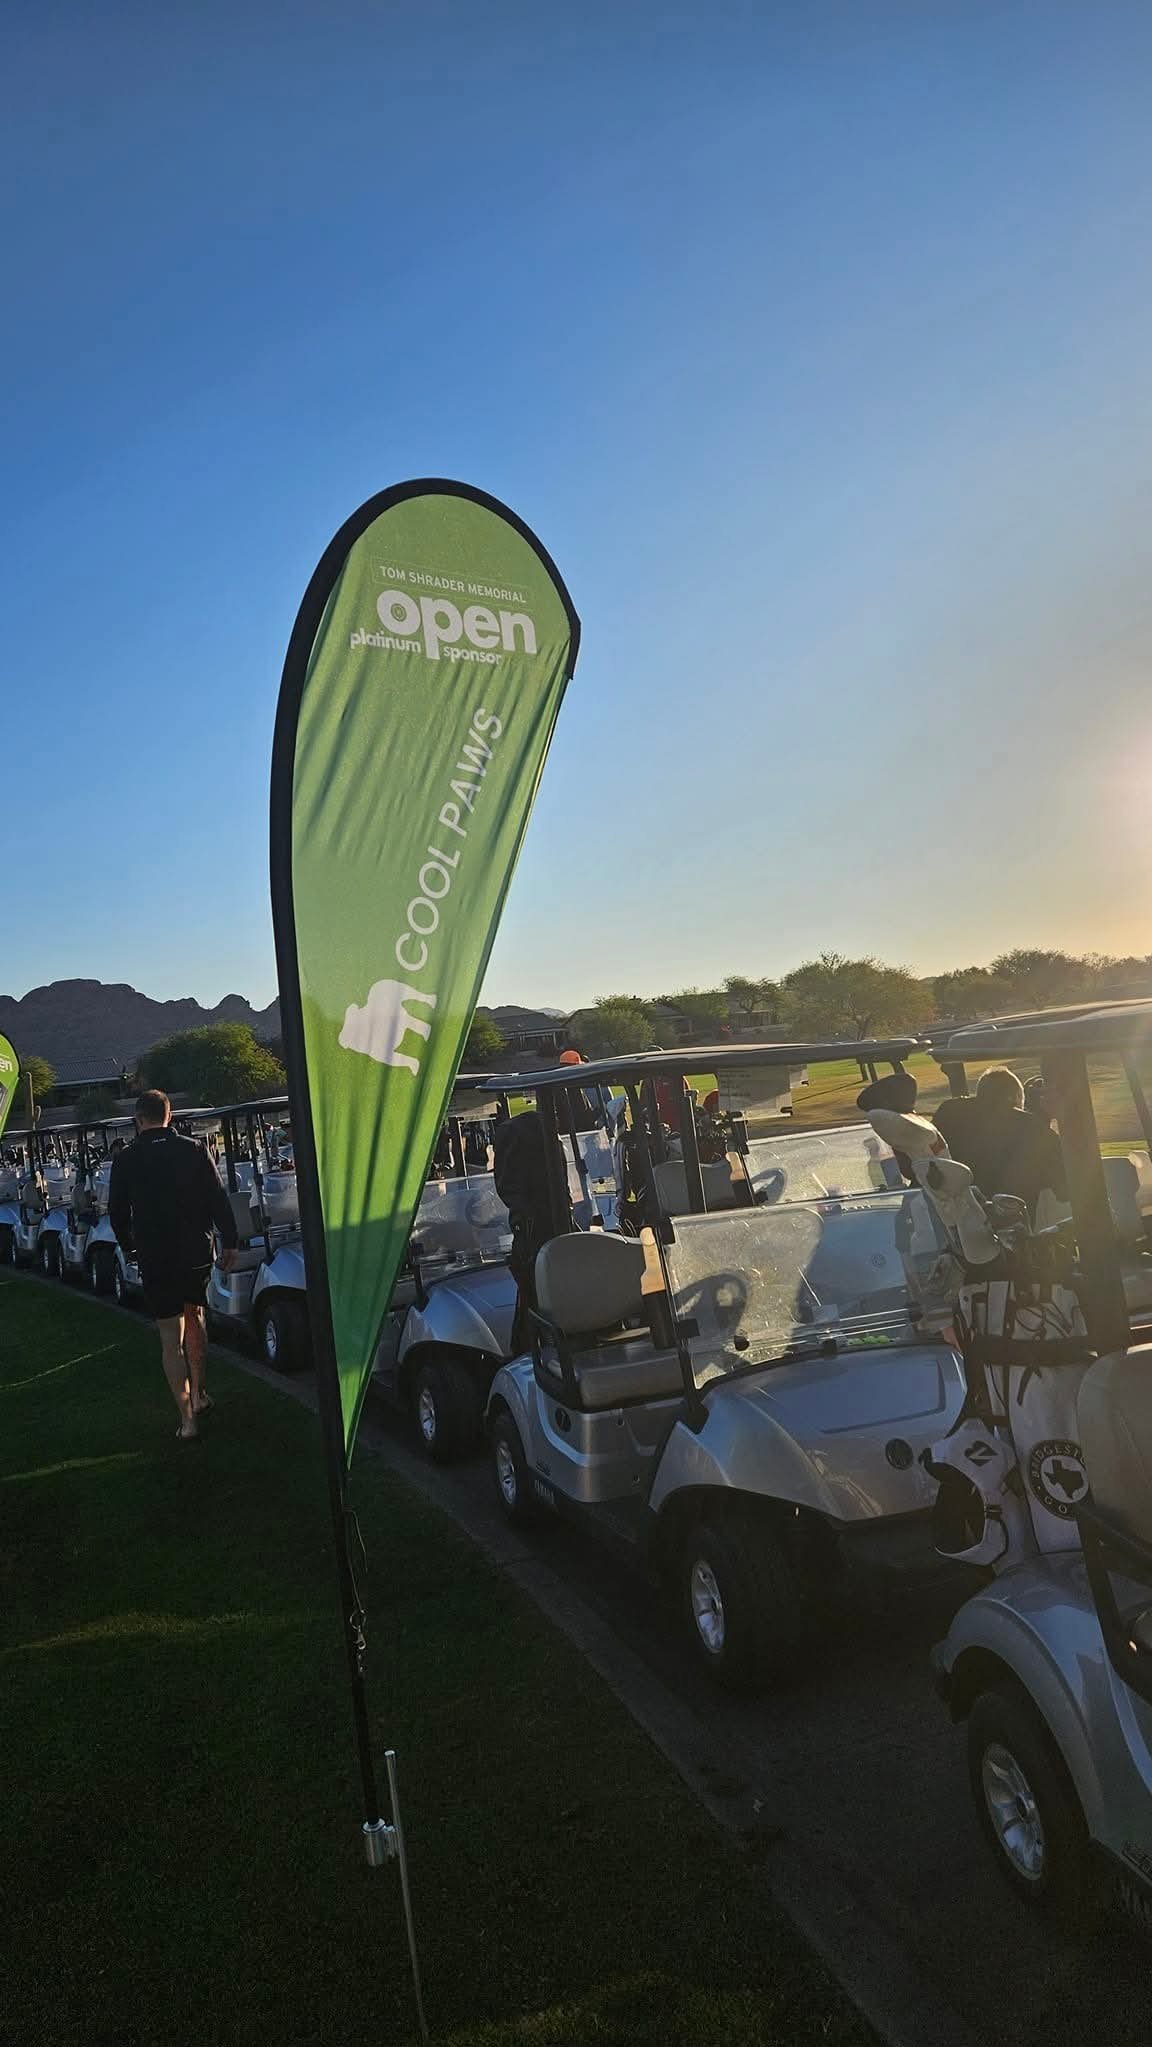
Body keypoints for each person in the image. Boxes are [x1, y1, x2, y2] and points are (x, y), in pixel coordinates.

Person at [109, 1089, 240, 1440]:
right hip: (195, 1250)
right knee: (195, 1317)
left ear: (139, 1119)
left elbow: (117, 1213)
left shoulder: (126, 1160)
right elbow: (217, 1195)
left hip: (155, 1254)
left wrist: (129, 1248)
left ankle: (187, 1420)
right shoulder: (194, 1149)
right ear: (169, 1115)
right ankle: (197, 1394)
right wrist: (230, 1239)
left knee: (171, 1336)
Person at [933, 1065, 1066, 1218]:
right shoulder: (1035, 1131)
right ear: (1016, 1098)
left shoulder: (948, 1114)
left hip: (952, 1222)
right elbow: (1064, 1191)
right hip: (1010, 1229)